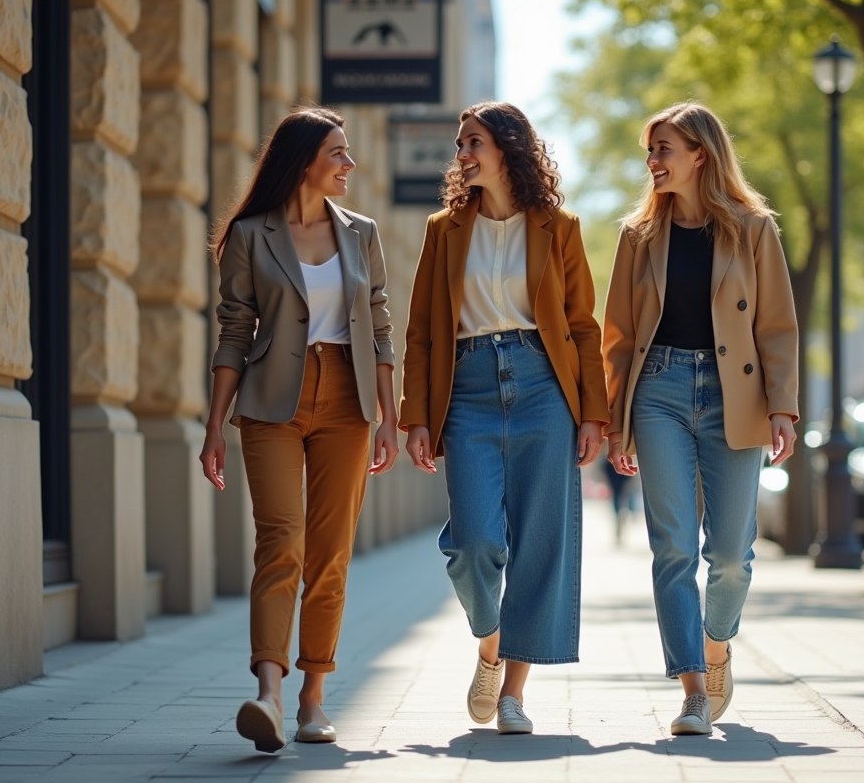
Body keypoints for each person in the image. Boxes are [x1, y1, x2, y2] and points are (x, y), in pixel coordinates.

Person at [399, 102, 609, 735]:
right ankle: (489, 643)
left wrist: (593, 413)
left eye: (474, 141)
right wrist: (415, 416)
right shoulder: (444, 229)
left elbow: (581, 327)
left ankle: (513, 693)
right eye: (461, 142)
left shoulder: (558, 227)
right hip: (467, 388)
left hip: (545, 385)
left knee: (541, 543)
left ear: (507, 149)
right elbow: (421, 333)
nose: (463, 152)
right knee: (474, 541)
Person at [200, 107, 400, 752]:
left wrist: (390, 416)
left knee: (331, 554)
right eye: (337, 153)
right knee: (279, 543)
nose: (349, 164)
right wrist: (212, 427)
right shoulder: (251, 234)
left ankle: (314, 697)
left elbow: (379, 327)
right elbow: (234, 332)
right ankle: (269, 691)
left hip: (348, 400)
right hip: (270, 403)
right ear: (304, 160)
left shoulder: (361, 232)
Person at [602, 102, 799, 736]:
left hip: (733, 396)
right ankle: (691, 690)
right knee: (672, 548)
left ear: (700, 156)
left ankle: (716, 645)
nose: (653, 162)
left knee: (733, 556)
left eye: (664, 149)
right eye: (650, 151)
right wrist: (616, 421)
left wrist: (784, 408)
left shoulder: (752, 228)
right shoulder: (638, 237)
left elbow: (776, 327)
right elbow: (619, 337)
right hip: (657, 389)